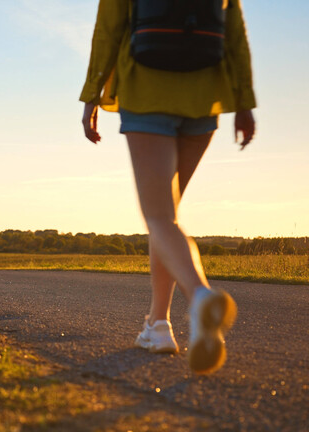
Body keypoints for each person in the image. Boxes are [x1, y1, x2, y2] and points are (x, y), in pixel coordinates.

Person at [79, 0, 256, 375]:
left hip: (146, 90)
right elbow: (235, 34)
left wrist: (92, 95)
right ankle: (158, 326)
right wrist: (243, 103)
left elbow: (108, 30)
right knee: (167, 217)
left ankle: (201, 296)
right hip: (204, 96)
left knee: (158, 216)